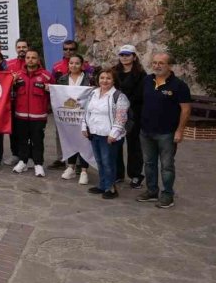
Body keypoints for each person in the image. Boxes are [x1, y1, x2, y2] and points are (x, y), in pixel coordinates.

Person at [136, 52, 191, 209]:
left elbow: (185, 110)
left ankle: (167, 195)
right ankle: (152, 191)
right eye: (154, 63)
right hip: (146, 131)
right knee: (149, 163)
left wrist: (179, 131)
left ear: (169, 66)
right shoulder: (147, 80)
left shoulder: (179, 85)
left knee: (167, 166)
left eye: (161, 63)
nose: (157, 66)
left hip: (167, 133)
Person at [80, 68, 130, 199]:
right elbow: (87, 111)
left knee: (108, 163)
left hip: (109, 136)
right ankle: (102, 185)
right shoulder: (93, 93)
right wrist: (84, 127)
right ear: (98, 79)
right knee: (100, 161)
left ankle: (111, 188)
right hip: (95, 133)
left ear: (114, 80)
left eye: (108, 78)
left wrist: (114, 134)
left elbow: (121, 117)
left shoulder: (118, 96)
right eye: (102, 78)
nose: (104, 80)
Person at [12, 50, 53, 177]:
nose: (30, 60)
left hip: (38, 116)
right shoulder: (17, 75)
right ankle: (23, 161)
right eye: (28, 57)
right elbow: (9, 92)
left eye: (33, 58)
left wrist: (49, 88)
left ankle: (38, 164)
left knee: (37, 140)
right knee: (22, 140)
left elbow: (56, 93)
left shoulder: (46, 76)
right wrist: (12, 83)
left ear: (38, 60)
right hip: (21, 115)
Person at [56, 54, 93, 185]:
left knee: (84, 141)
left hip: (83, 116)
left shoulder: (89, 79)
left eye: (77, 63)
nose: (74, 65)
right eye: (71, 63)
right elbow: (58, 94)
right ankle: (70, 167)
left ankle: (83, 170)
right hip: (69, 117)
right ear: (68, 64)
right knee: (70, 140)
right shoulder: (62, 79)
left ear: (82, 65)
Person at [112, 44, 146, 188]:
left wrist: (125, 104)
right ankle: (117, 173)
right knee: (115, 142)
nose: (124, 58)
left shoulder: (141, 74)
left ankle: (135, 175)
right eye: (122, 55)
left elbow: (140, 95)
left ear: (134, 57)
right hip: (115, 112)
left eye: (127, 55)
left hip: (133, 114)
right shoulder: (114, 72)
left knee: (134, 146)